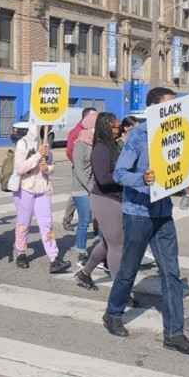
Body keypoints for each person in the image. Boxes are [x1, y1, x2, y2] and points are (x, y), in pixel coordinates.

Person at [103, 87, 189, 355]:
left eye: (176, 105)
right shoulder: (139, 135)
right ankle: (113, 313)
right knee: (129, 267)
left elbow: (176, 176)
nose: (174, 110)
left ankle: (175, 334)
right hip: (137, 213)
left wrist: (186, 190)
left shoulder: (177, 136)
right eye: (168, 105)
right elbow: (120, 174)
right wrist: (142, 179)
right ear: (154, 109)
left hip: (163, 214)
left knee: (171, 273)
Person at [12, 122, 71, 274]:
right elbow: (19, 168)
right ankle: (21, 253)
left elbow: (52, 164)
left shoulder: (46, 144)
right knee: (23, 223)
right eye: (46, 126)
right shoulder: (23, 143)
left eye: (51, 126)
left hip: (43, 188)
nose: (49, 129)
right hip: (25, 188)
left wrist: (48, 168)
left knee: (47, 224)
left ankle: (54, 258)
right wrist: (38, 154)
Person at [74, 112, 123, 290]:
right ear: (107, 127)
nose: (120, 128)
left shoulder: (116, 146)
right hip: (105, 200)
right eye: (116, 125)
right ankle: (120, 291)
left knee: (108, 242)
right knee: (117, 244)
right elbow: (102, 178)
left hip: (117, 198)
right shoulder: (101, 148)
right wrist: (125, 176)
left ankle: (84, 273)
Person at [62, 107, 96, 231]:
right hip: (79, 168)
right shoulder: (76, 132)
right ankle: (67, 219)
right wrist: (79, 165)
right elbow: (70, 151)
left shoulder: (93, 132)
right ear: (85, 117)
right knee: (76, 194)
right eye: (93, 115)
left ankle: (96, 225)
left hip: (91, 168)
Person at [71, 110, 97, 267]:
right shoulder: (80, 143)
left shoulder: (98, 142)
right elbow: (79, 170)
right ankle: (81, 251)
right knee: (85, 220)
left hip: (94, 187)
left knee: (100, 220)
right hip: (81, 188)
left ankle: (101, 252)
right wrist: (90, 187)